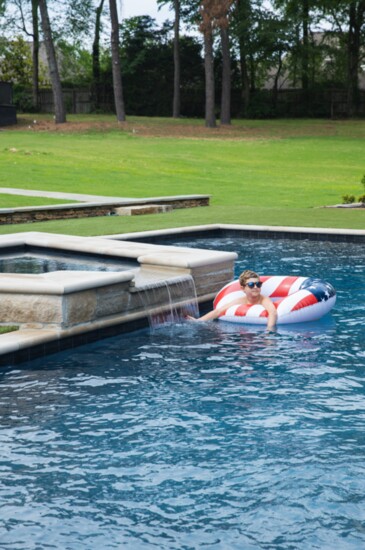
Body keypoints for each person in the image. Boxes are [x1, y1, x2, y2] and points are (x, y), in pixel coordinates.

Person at [187, 269, 278, 331]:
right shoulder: (240, 300)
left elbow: (272, 312)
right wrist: (198, 321)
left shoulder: (263, 300)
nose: (255, 287)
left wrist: (269, 331)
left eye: (258, 284)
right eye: (251, 284)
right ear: (242, 289)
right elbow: (218, 311)